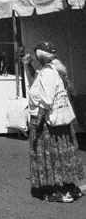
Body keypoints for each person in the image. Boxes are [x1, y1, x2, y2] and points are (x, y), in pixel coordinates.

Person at [23, 41, 84, 203]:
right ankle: (70, 187)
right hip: (60, 121)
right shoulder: (53, 69)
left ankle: (58, 190)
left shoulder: (48, 73)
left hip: (47, 123)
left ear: (39, 55)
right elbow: (36, 78)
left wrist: (35, 122)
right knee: (63, 155)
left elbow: (46, 99)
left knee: (50, 157)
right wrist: (27, 65)